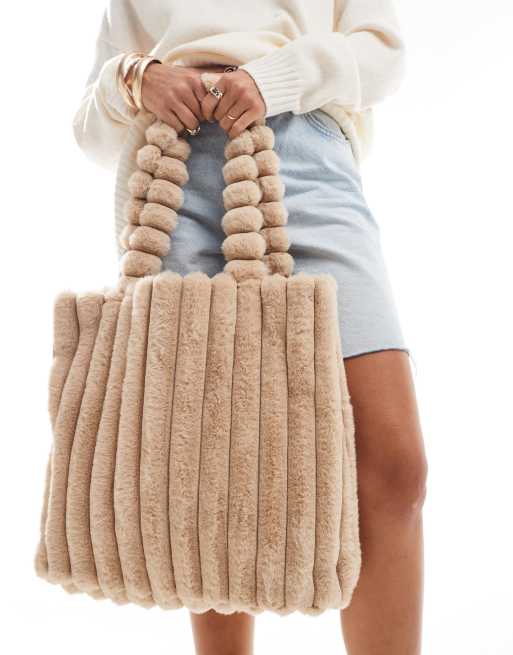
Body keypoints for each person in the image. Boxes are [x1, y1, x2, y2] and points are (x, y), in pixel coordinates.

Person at [73, 1, 428, 653]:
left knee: (393, 466)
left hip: (308, 158)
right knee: (209, 473)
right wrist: (135, 78)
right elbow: (91, 134)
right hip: (172, 174)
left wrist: (277, 78)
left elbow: (384, 54)